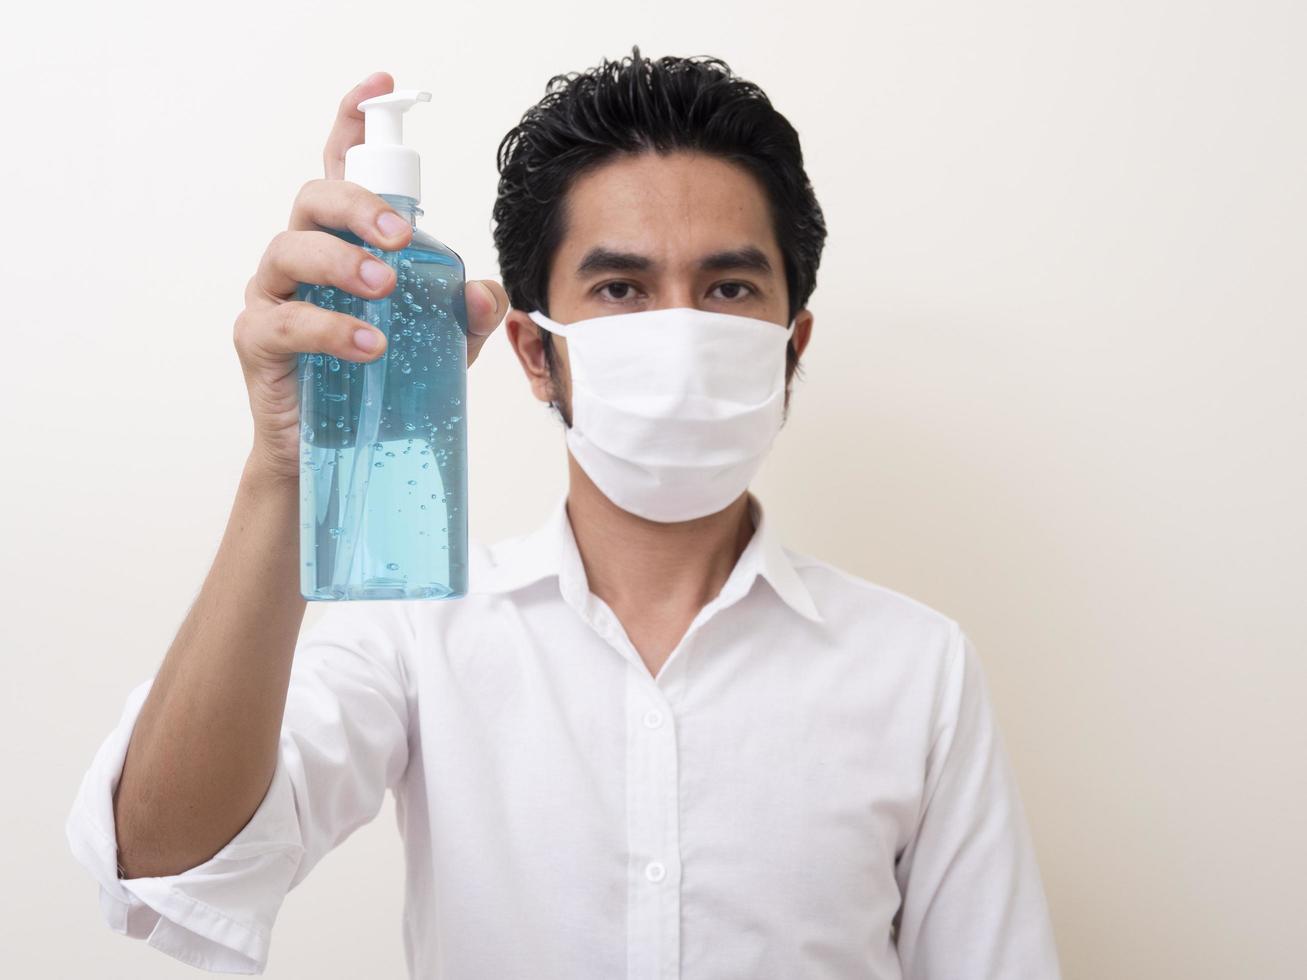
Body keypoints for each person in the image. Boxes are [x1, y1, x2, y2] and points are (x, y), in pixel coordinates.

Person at [66, 48, 1062, 979]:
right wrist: (290, 464)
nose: (677, 330)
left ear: (789, 343)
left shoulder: (916, 665)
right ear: (536, 352)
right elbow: (165, 854)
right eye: (620, 286)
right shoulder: (419, 630)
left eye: (726, 285)